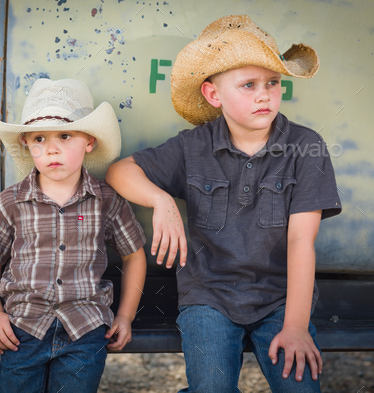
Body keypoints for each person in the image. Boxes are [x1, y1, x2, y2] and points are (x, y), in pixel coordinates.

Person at [106, 15, 341, 392]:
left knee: (299, 388)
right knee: (212, 389)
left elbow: (301, 241)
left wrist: (296, 326)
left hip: (280, 299)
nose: (264, 95)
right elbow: (120, 171)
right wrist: (161, 199)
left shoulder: (305, 146)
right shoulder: (192, 146)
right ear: (213, 95)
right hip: (209, 296)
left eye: (273, 83)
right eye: (248, 85)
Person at [0, 78, 147, 393]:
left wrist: (125, 315)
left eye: (65, 135)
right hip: (23, 328)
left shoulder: (107, 200)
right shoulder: (10, 202)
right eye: (39, 138)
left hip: (85, 330)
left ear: (89, 141)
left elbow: (134, 255)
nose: (51, 148)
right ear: (27, 143)